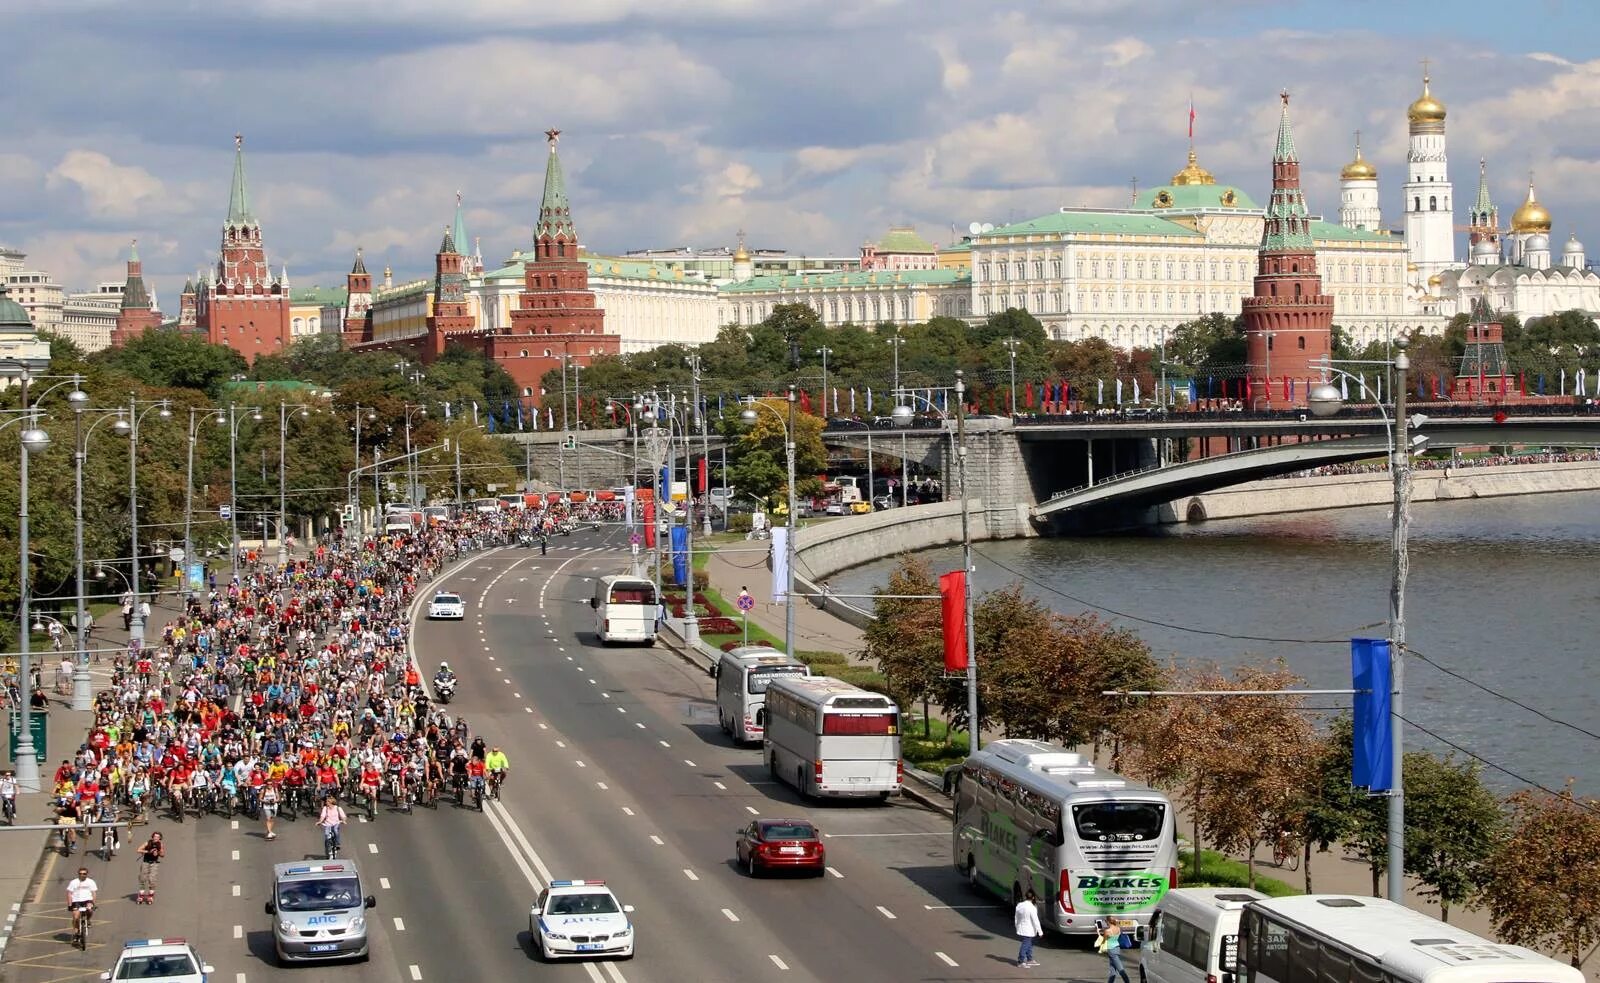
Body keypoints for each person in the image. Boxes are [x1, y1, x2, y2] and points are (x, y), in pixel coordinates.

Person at [1014, 888, 1042, 968]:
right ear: (1033, 897)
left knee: (1029, 943)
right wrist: (1040, 932)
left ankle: (1029, 959)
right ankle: (1020, 961)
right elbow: (1036, 920)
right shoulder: (1032, 907)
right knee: (1026, 944)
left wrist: (1017, 926)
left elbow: (1016, 917)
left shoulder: (1019, 905)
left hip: (1022, 928)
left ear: (1025, 897)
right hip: (1029, 929)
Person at [66, 866, 97, 934]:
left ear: (87, 874)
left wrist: (93, 904)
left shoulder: (91, 882)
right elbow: (69, 894)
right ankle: (76, 933)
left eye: (84, 873)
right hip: (76, 901)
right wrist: (70, 905)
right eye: (80, 873)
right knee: (76, 917)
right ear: (78, 874)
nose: (82, 875)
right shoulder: (73, 882)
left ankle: (88, 920)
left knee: (90, 910)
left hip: (87, 900)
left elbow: (94, 893)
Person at [136, 831, 164, 904]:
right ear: (152, 837)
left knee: (152, 879)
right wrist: (148, 851)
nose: (156, 838)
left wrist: (157, 853)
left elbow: (163, 854)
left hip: (154, 863)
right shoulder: (148, 843)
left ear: (160, 838)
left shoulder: (160, 844)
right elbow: (138, 849)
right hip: (146, 862)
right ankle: (141, 896)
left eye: (158, 837)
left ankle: (150, 896)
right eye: (155, 836)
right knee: (142, 878)